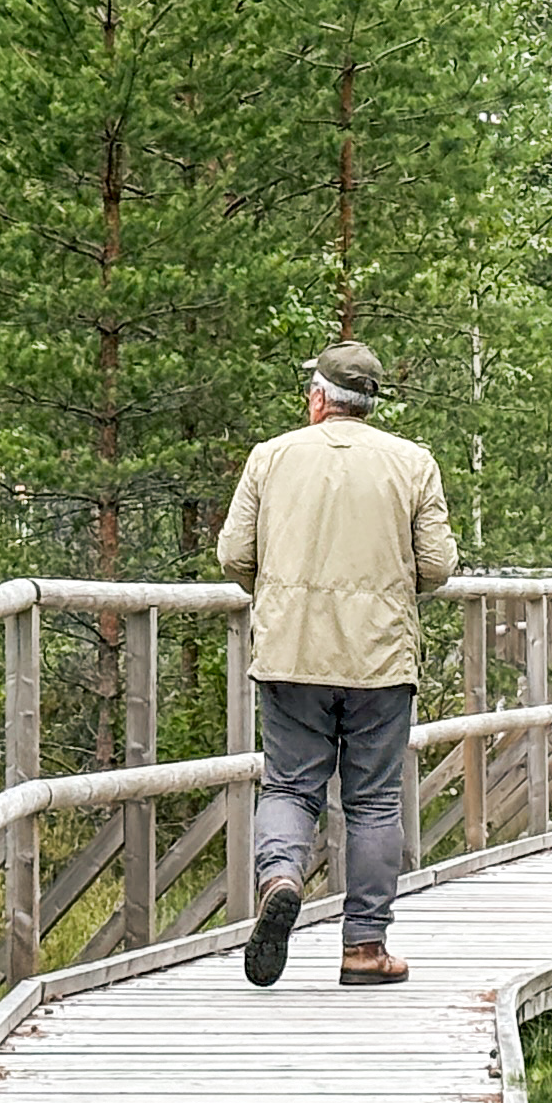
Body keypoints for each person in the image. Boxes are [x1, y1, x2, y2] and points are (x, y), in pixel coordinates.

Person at [217, 339, 457, 987]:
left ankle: (282, 876)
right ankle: (365, 948)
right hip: (380, 658)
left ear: (319, 398)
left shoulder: (271, 458)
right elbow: (436, 566)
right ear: (369, 403)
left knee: (291, 786)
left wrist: (282, 590)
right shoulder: (413, 464)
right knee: (375, 800)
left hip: (291, 652)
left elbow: (235, 556)